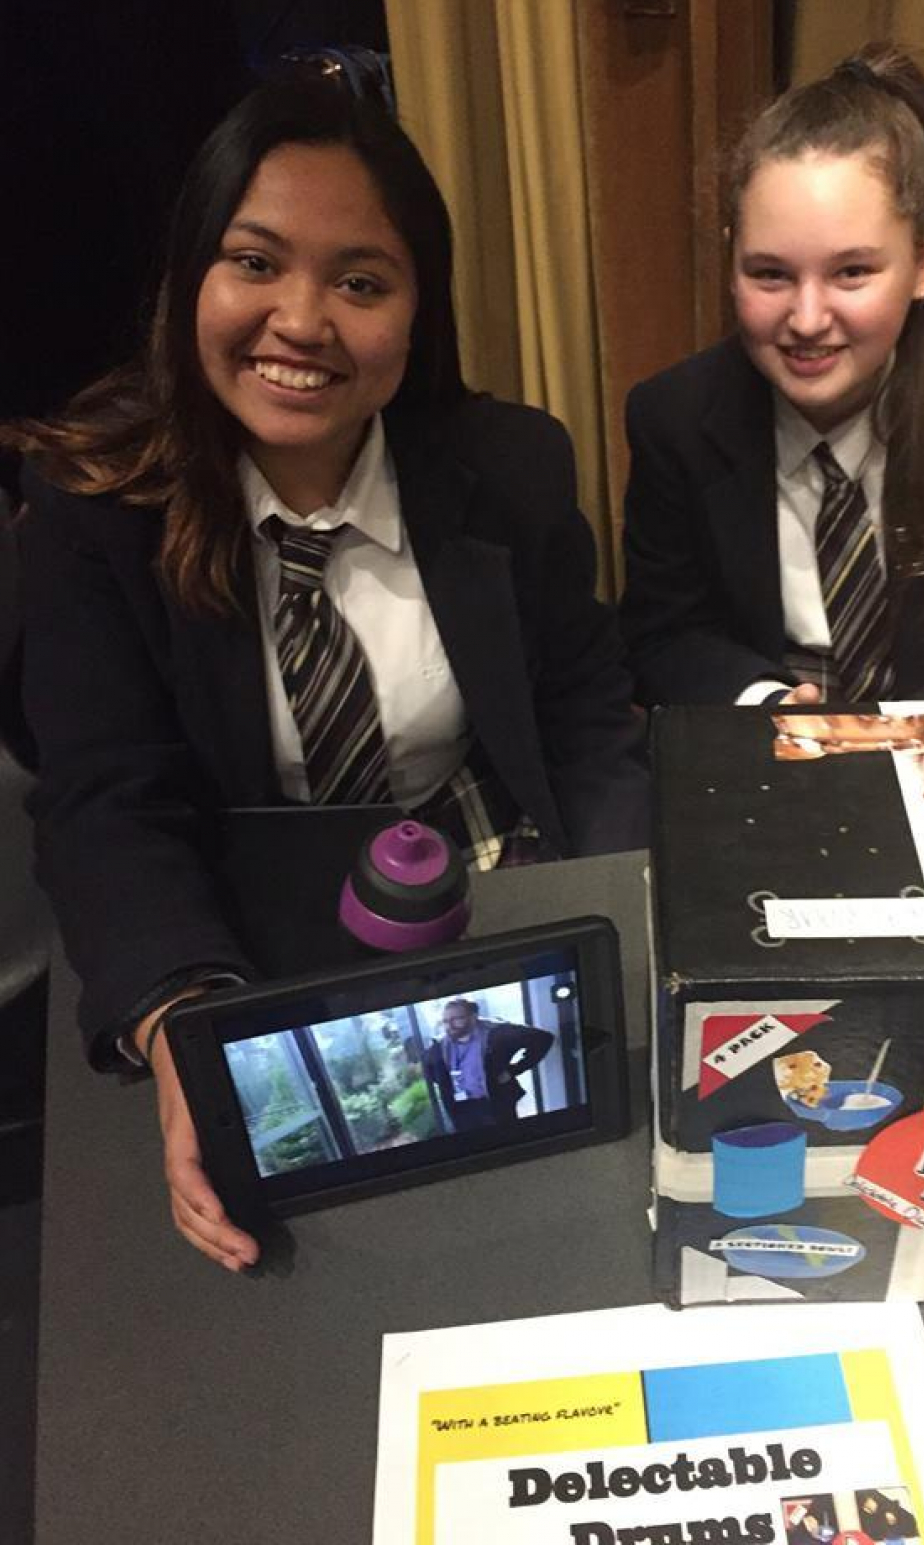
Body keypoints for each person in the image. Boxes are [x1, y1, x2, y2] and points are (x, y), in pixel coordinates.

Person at [9, 69, 647, 1272]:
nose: (301, 321)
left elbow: (586, 718)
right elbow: (107, 801)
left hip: (493, 894)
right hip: (245, 932)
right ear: (191, 274)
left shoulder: (512, 466)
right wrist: (185, 1026)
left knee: (559, 1243)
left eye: (360, 281)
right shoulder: (96, 509)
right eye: (256, 262)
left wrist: (617, 917)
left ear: (417, 310)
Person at [620, 42, 924, 707]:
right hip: (763, 747)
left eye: (851, 272)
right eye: (770, 274)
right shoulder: (672, 418)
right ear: (732, 262)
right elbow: (663, 636)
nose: (807, 319)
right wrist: (764, 704)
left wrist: (882, 741)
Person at [422, 996, 554, 1133]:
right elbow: (428, 1068)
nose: (450, 1025)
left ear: (473, 1017)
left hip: (495, 1103)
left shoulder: (496, 1033)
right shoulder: (440, 1045)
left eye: (457, 1019)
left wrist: (513, 1070)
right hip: (463, 1109)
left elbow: (543, 1038)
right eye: (445, 1021)